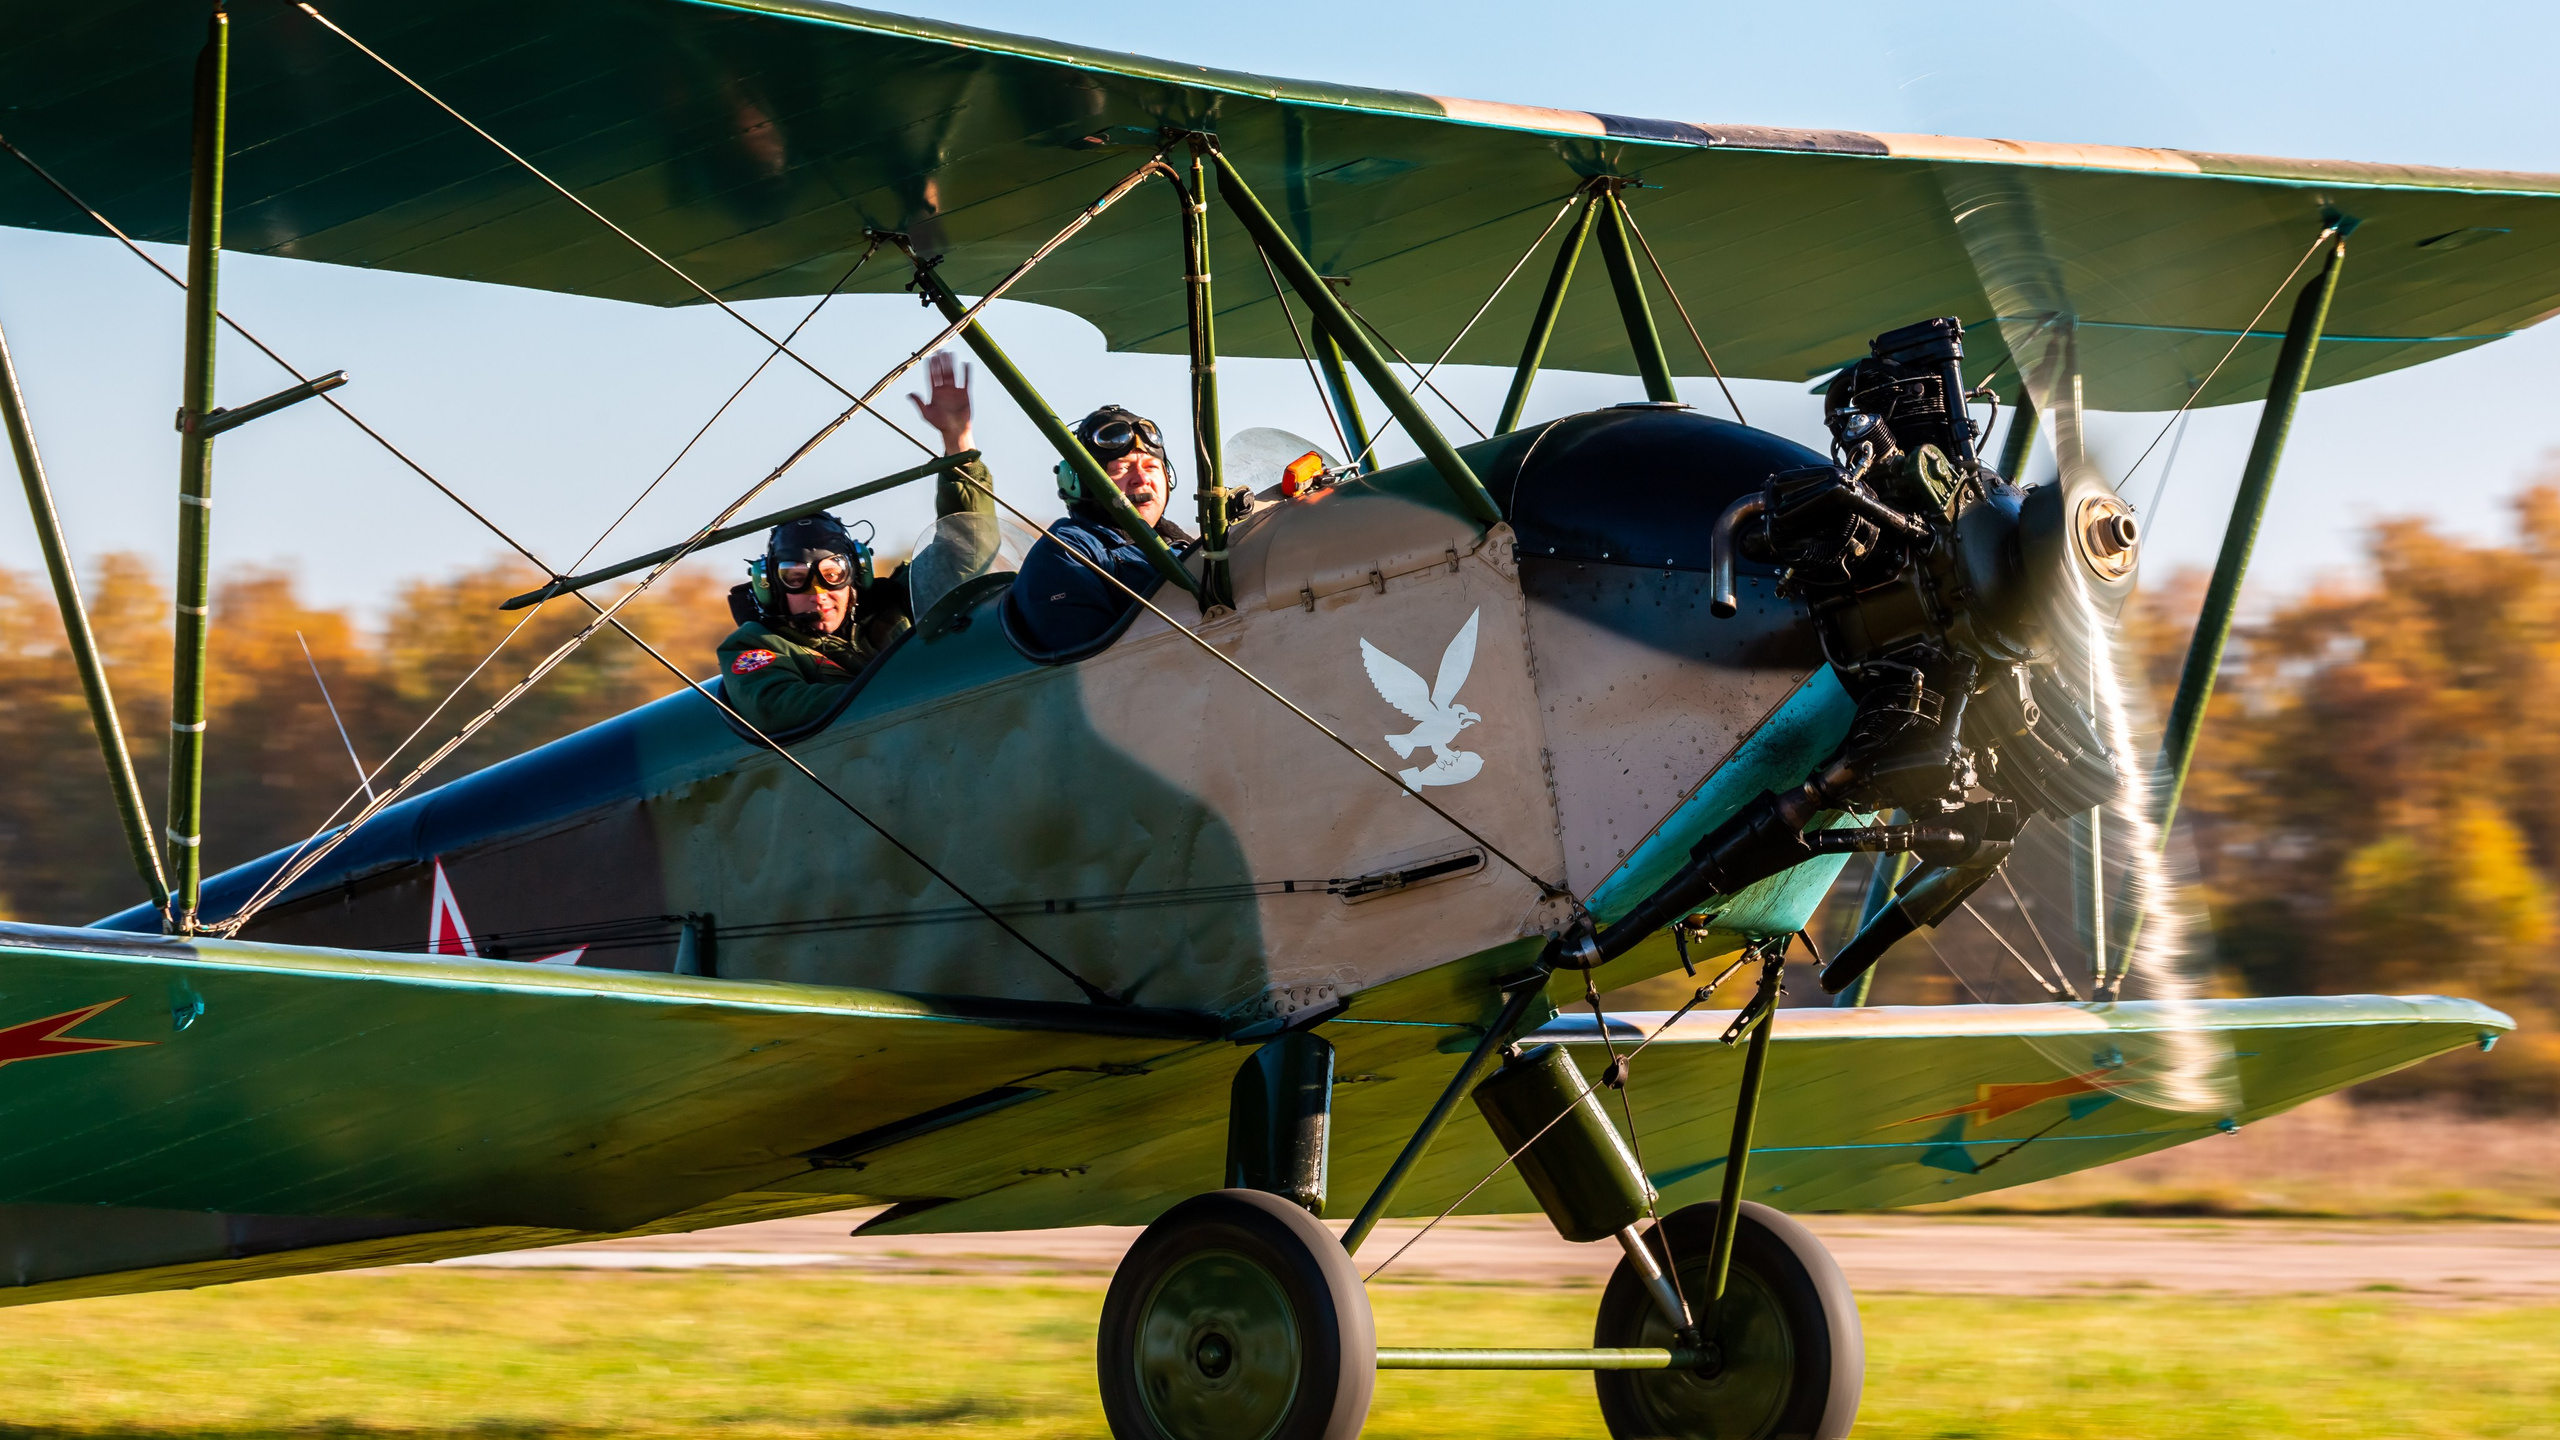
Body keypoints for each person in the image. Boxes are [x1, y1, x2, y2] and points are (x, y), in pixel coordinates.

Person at [715, 352, 992, 732]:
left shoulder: (900, 601)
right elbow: (780, 707)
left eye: (832, 574)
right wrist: (908, 692)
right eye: (795, 578)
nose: (819, 593)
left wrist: (957, 439)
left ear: (857, 573)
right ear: (769, 586)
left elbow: (965, 550)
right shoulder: (754, 647)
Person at [1006, 403, 1197, 655]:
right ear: (1080, 485)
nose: (1142, 478)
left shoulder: (1186, 546)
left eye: (1151, 467)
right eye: (1121, 468)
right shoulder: (1067, 553)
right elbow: (1095, 668)